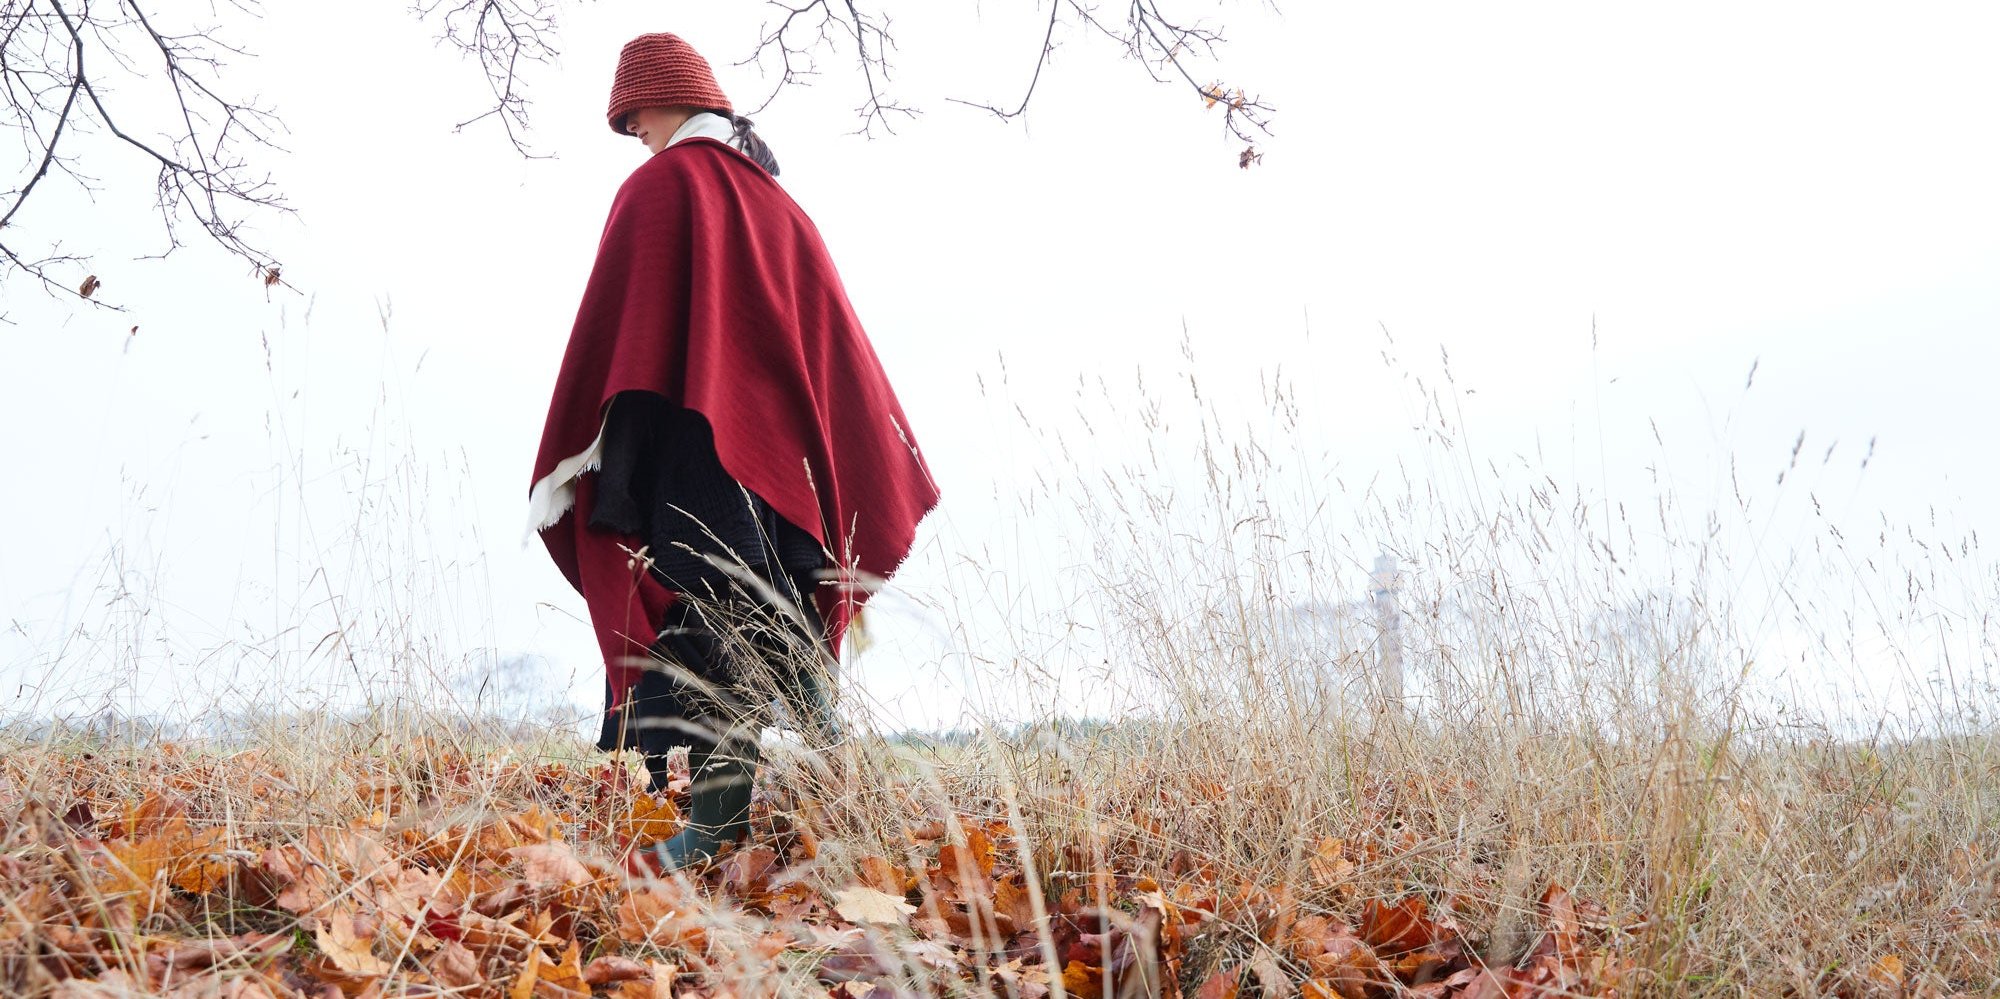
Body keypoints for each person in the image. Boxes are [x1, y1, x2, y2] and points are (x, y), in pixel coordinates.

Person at [527, 32, 939, 868]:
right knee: (760, 610)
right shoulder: (773, 200)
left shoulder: (664, 186)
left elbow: (623, 337)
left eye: (633, 110)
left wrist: (601, 459)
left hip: (695, 454)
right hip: (773, 461)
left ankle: (732, 822)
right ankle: (829, 795)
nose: (631, 127)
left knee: (724, 615)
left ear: (665, 97)